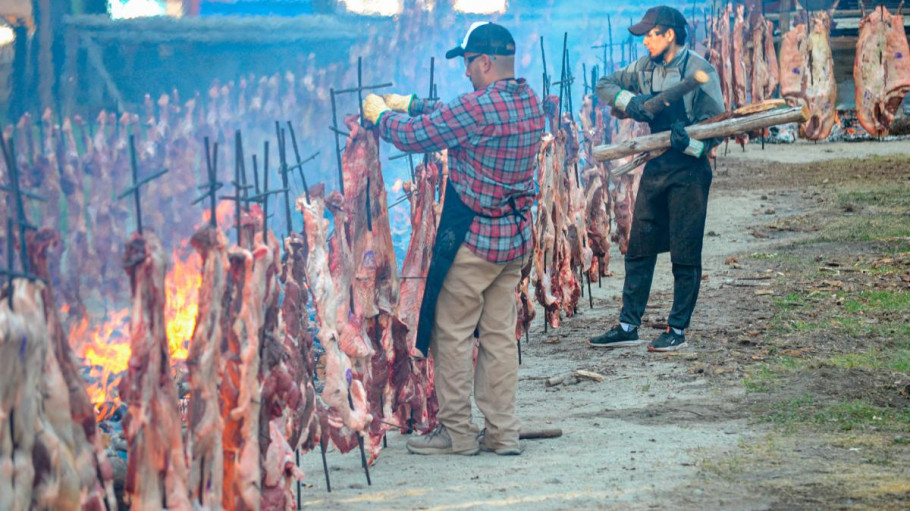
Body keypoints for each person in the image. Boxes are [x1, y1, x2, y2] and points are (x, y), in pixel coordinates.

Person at [362, 22, 545, 455]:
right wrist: (415, 103)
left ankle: (458, 434)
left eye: (468, 64)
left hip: (475, 243)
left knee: (453, 334)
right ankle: (503, 434)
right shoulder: (529, 102)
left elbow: (415, 136)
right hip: (514, 242)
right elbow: (457, 115)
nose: (465, 73)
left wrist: (383, 116)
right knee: (500, 336)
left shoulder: (478, 111)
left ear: (484, 62)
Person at [589, 6, 724, 352]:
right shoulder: (645, 68)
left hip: (690, 169)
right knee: (640, 247)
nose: (645, 40)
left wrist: (692, 143)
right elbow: (603, 84)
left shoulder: (699, 70)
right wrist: (629, 102)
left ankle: (677, 329)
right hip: (657, 165)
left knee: (685, 250)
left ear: (670, 35)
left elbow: (718, 126)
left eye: (651, 34)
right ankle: (627, 325)